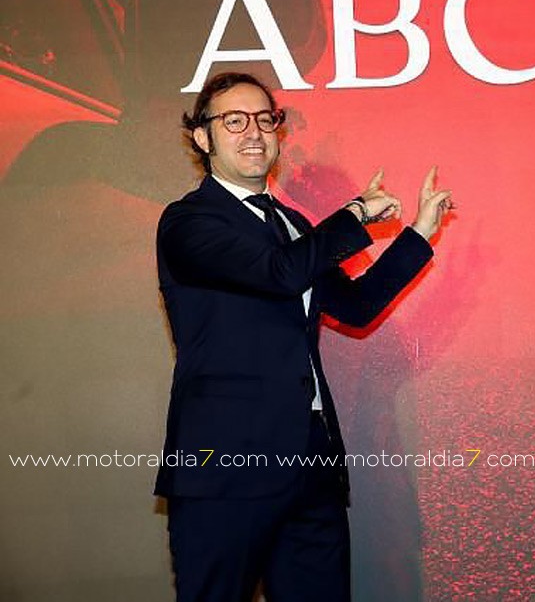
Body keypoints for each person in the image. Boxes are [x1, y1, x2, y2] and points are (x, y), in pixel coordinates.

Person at [155, 71, 452, 601]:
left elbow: (356, 307)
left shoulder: (292, 224)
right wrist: (356, 213)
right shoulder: (188, 222)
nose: (254, 133)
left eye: (265, 120)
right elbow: (279, 274)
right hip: (226, 466)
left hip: (311, 462)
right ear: (203, 138)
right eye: (234, 121)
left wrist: (418, 235)